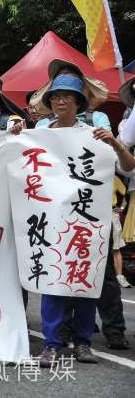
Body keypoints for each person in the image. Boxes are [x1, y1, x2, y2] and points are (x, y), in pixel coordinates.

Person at [35, 73, 135, 366]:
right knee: (53, 281)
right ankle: (51, 344)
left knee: (85, 282)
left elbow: (129, 167)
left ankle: (82, 343)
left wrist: (115, 144)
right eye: (55, 96)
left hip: (87, 221)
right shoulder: (39, 134)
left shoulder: (94, 133)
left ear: (78, 102)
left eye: (67, 96)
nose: (60, 100)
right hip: (53, 221)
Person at [33, 60, 112, 131]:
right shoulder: (42, 126)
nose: (61, 102)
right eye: (55, 97)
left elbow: (105, 144)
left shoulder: (97, 119)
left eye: (67, 97)